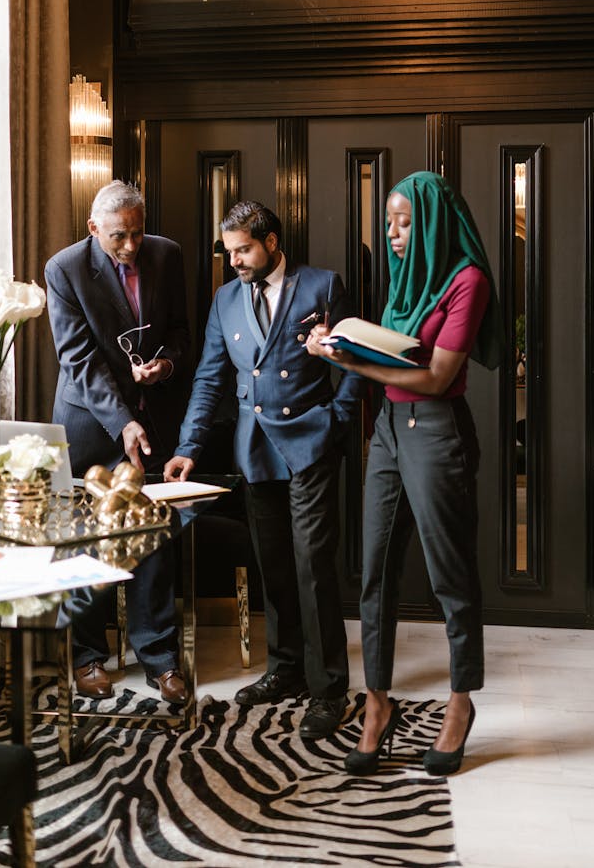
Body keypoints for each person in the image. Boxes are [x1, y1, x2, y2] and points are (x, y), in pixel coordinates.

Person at [307, 170, 504, 775]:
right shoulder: (406, 278)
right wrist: (339, 345)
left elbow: (438, 377)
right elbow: (392, 350)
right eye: (388, 222)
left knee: (450, 576)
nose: (392, 233)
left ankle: (461, 702)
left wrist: (351, 365)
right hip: (389, 432)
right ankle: (376, 702)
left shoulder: (467, 282)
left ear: (434, 223)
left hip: (438, 430)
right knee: (375, 575)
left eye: (404, 221)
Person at [164, 200, 362, 740]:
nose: (235, 261)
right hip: (254, 450)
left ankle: (328, 690)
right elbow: (209, 378)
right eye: (229, 252)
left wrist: (338, 420)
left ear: (272, 242)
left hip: (311, 446)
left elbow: (353, 365)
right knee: (272, 563)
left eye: (244, 249)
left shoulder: (322, 286)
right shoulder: (225, 301)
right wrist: (189, 446)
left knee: (312, 564)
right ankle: (285, 668)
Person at [44, 180, 191, 704]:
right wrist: (123, 421)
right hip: (90, 425)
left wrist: (166, 365)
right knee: (86, 540)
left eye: (137, 232)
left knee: (151, 539)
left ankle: (160, 660)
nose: (130, 246)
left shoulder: (166, 255)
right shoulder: (63, 269)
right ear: (93, 229)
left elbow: (179, 330)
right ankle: (86, 657)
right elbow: (78, 358)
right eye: (118, 236)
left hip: (153, 421)